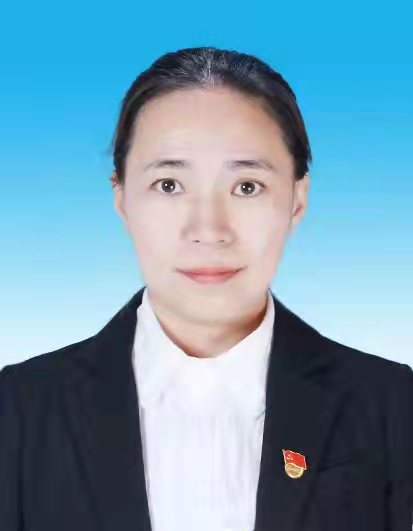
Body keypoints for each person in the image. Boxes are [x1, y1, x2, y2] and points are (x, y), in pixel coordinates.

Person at [1, 46, 412, 531]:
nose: (209, 230)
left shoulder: (391, 405)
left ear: (297, 200)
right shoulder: (19, 410)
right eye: (169, 184)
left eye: (247, 186)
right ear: (122, 197)